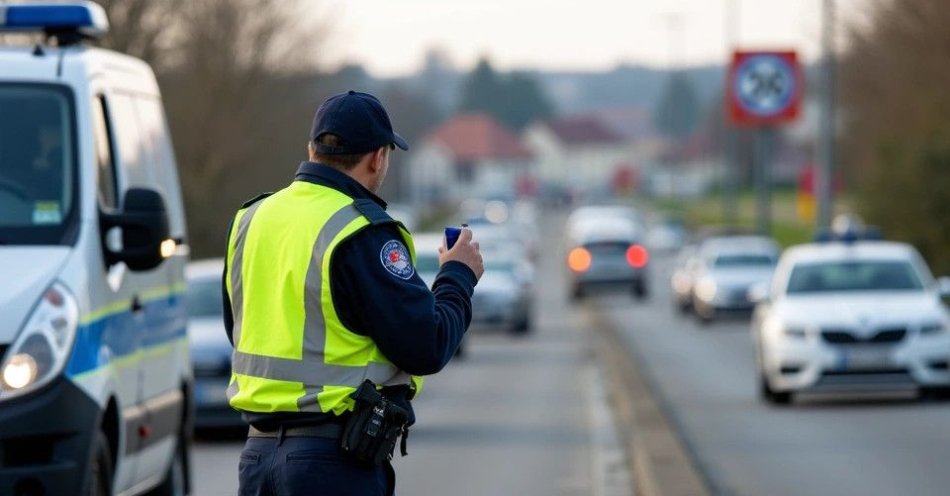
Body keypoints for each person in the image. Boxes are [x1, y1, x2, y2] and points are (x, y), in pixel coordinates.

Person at [222, 90, 484, 496]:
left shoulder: (251, 219)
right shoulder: (362, 231)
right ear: (378, 157)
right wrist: (458, 275)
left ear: (312, 149)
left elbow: (238, 327)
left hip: (257, 460)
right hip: (331, 464)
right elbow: (427, 345)